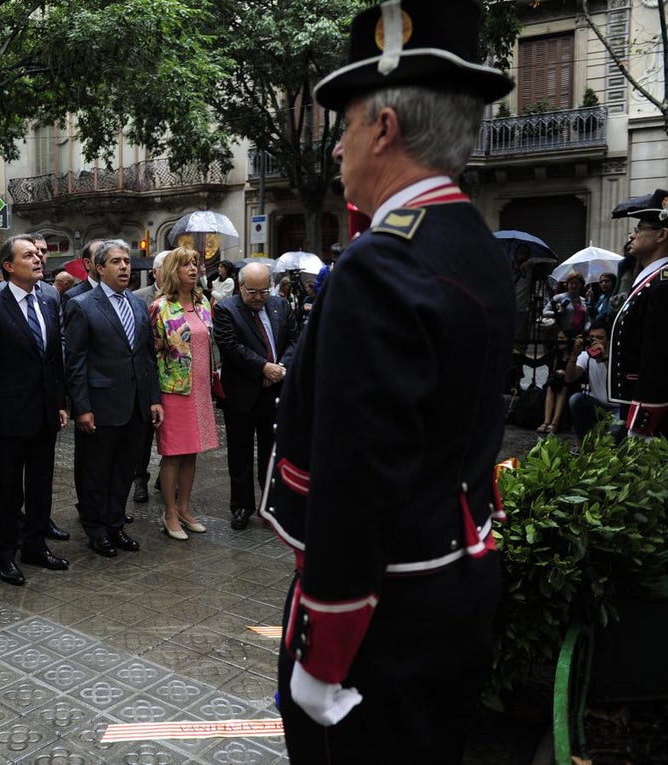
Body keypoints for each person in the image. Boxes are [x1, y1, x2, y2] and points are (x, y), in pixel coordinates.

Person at [262, 2, 515, 760]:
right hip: (456, 588)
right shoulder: (473, 240)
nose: (336, 146)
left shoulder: (382, 262)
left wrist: (322, 653)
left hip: (382, 620)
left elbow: (358, 476)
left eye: (344, 125)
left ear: (385, 129)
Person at [0, 235, 70, 587]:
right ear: (9, 266)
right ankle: (3, 552)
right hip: (9, 416)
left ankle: (35, 545)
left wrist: (61, 402)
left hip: (44, 412)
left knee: (41, 484)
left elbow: (53, 358)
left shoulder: (48, 299)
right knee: (8, 488)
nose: (38, 260)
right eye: (28, 256)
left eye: (37, 255)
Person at [64, 239, 162, 557]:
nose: (124, 267)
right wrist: (82, 407)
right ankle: (96, 529)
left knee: (124, 469)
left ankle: (115, 524)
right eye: (116, 262)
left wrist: (153, 399)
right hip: (100, 405)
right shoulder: (82, 305)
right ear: (100, 268)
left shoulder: (136, 304)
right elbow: (75, 362)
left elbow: (146, 356)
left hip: (134, 406)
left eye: (127, 261)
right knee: (97, 470)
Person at [213, 262, 299, 530]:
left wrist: (280, 369)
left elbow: (296, 339)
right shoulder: (226, 309)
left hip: (275, 390)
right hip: (242, 393)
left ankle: (270, 506)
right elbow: (230, 346)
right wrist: (263, 367)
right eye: (253, 292)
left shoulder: (280, 306)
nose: (259, 297)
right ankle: (241, 507)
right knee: (239, 453)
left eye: (264, 291)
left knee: (272, 452)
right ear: (240, 287)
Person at [149, 247, 218, 540]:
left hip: (201, 389)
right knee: (174, 454)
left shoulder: (204, 304)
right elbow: (150, 355)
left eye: (195, 264)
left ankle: (186, 508)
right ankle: (169, 513)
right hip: (174, 390)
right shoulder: (160, 307)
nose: (192, 269)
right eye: (185, 265)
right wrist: (154, 398)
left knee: (192, 453)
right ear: (172, 271)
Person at [609, 190, 668, 438]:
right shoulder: (649, 280)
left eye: (640, 227)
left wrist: (645, 415)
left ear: (661, 235)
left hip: (647, 406)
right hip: (632, 398)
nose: (632, 235)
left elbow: (658, 356)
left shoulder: (663, 285)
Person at [129, 249, 169, 503]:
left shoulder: (185, 299)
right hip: (145, 377)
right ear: (156, 272)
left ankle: (165, 477)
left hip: (173, 379)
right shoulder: (139, 298)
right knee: (142, 437)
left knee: (172, 433)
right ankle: (139, 478)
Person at [565, 320, 620, 440]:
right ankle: (585, 444)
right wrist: (574, 355)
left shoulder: (618, 356)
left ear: (609, 340)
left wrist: (604, 357)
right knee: (575, 399)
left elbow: (616, 378)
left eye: (600, 338)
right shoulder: (586, 356)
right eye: (591, 337)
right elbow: (569, 378)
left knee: (613, 431)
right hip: (597, 405)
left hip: (618, 407)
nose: (594, 341)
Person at [543, 271, 589, 336]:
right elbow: (545, 312)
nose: (574, 286)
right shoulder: (558, 298)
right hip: (562, 335)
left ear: (581, 285)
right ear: (567, 285)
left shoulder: (584, 301)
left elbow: (587, 319)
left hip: (579, 336)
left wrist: (585, 331)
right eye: (571, 283)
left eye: (577, 283)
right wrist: (558, 312)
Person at [60, 238, 104, 305]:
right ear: (87, 263)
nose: (106, 260)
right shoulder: (73, 297)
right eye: (100, 255)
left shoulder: (121, 292)